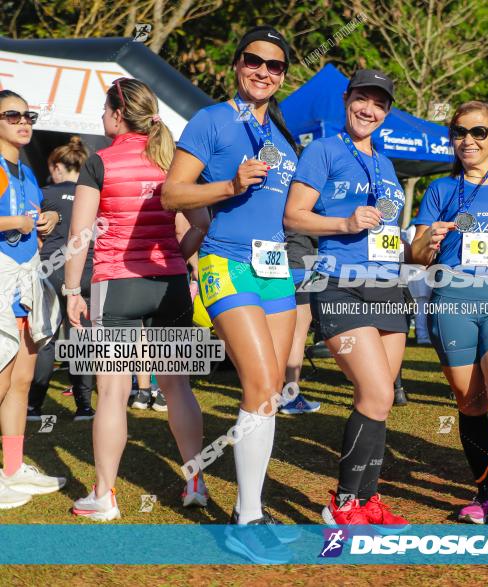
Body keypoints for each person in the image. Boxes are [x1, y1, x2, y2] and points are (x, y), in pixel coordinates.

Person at [162, 26, 301, 561]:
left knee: (274, 390)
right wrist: (231, 185)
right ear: (237, 64)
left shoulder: (284, 137)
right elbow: (171, 193)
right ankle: (246, 522)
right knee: (261, 382)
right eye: (254, 60)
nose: (264, 71)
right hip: (227, 261)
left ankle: (253, 508)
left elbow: (288, 212)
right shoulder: (212, 119)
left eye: (274, 65)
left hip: (276, 269)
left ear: (283, 75)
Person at [64, 78, 208, 521]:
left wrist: (72, 290)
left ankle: (104, 496)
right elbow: (200, 223)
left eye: (105, 110)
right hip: (169, 286)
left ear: (118, 114)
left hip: (116, 285)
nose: (101, 118)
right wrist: (174, 259)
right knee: (177, 386)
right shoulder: (174, 161)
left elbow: (79, 235)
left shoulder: (99, 162)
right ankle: (195, 483)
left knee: (112, 392)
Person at [285, 68, 410, 530]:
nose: (369, 109)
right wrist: (344, 224)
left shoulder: (386, 161)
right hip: (340, 284)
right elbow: (294, 216)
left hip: (388, 287)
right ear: (347, 98)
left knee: (377, 401)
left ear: (386, 111)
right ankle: (342, 503)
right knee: (376, 391)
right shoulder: (323, 149)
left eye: (379, 103)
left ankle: (367, 499)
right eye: (362, 98)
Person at [410, 101, 488, 528]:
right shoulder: (441, 191)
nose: (469, 140)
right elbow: (417, 256)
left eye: (479, 132)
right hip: (451, 305)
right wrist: (430, 240)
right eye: (460, 132)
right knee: (472, 402)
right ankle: (484, 494)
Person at [0, 89, 65, 509]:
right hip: (2, 278)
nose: (24, 121)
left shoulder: (24, 168)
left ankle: (13, 467)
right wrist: (17, 221)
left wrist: (48, 220)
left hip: (27, 280)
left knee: (23, 377)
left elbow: (30, 218)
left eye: (29, 115)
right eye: (12, 115)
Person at [27, 136, 96, 422]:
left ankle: (33, 407)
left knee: (47, 340)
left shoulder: (45, 194)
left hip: (52, 269)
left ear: (57, 167)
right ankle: (84, 407)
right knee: (81, 338)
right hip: (88, 269)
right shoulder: (94, 195)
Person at [279, 229, 321, 414]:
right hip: (300, 264)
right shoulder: (307, 201)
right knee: (298, 335)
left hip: (272, 261)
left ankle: (270, 392)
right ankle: (290, 397)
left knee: (275, 333)